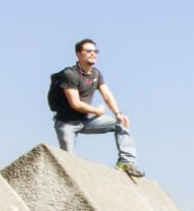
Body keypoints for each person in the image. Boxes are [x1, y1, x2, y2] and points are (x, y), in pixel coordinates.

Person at [52, 39, 145, 178]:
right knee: (69, 164)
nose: (93, 54)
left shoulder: (96, 74)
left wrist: (118, 113)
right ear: (78, 54)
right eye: (88, 51)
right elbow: (75, 104)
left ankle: (126, 163)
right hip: (67, 124)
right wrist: (97, 111)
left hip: (87, 120)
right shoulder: (70, 74)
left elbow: (107, 95)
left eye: (95, 51)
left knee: (120, 124)